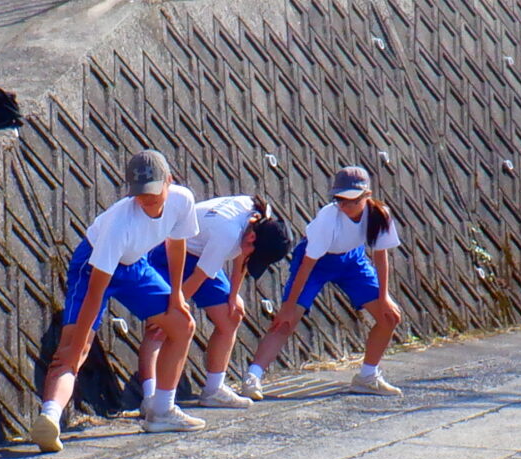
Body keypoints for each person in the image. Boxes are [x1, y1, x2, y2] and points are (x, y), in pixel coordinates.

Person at [30, 150, 204, 452]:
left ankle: (162, 411)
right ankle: (49, 419)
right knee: (74, 348)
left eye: (153, 191)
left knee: (182, 324)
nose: (147, 199)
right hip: (93, 267)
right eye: (140, 194)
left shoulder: (182, 201)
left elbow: (177, 245)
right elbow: (96, 290)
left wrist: (176, 293)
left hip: (135, 266)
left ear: (169, 182)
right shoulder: (120, 223)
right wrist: (81, 339)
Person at [246, 166, 407, 399]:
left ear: (366, 196)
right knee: (286, 320)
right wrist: (289, 306)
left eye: (350, 200)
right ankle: (253, 377)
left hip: (352, 260)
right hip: (315, 263)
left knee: (390, 316)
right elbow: (308, 264)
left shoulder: (379, 215)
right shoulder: (328, 218)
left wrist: (383, 298)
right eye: (339, 199)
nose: (343, 205)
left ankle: (367, 377)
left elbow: (381, 257)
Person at [155, 195, 293, 410]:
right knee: (164, 323)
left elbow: (242, 257)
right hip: (170, 250)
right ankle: (151, 397)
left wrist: (233, 296)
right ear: (251, 240)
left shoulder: (260, 217)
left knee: (231, 315)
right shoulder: (227, 234)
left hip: (203, 254)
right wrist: (174, 308)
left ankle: (213, 389)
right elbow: (199, 276)